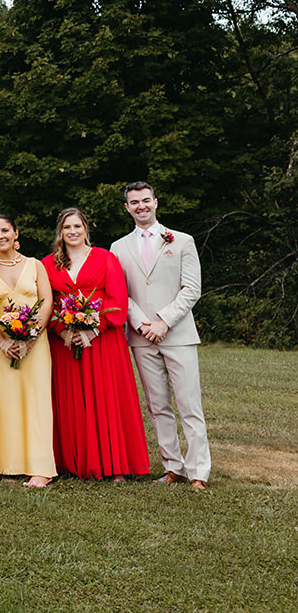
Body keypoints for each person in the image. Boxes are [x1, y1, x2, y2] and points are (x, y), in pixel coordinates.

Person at [111, 181, 210, 491]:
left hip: (177, 333)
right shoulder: (118, 248)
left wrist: (164, 321)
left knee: (189, 404)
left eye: (145, 200)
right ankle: (173, 466)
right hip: (141, 337)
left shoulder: (181, 241)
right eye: (134, 202)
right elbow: (120, 293)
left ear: (156, 202)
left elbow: (192, 288)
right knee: (157, 405)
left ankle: (198, 471)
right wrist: (141, 323)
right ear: (126, 207)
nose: (141, 206)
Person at [42, 207, 151, 480]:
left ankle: (115, 465)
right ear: (60, 232)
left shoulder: (105, 258)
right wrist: (63, 331)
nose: (73, 232)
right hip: (65, 343)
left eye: (77, 226)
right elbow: (46, 303)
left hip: (103, 342)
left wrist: (93, 330)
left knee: (107, 399)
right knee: (72, 403)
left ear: (86, 229)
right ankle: (72, 461)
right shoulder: (47, 264)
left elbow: (118, 301)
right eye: (67, 227)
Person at [0, 213, 55, 487]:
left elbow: (46, 302)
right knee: (7, 399)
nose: (0, 236)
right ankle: (8, 462)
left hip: (35, 342)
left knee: (36, 400)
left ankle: (41, 467)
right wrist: (2, 342)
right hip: (2, 345)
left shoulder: (35, 265)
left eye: (5, 230)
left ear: (16, 234)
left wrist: (32, 337)